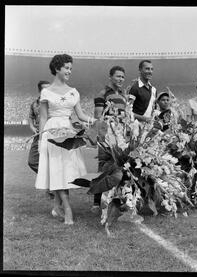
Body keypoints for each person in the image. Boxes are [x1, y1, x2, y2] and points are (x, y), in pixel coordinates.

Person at [35, 54, 94, 225]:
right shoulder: (46, 92)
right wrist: (40, 141)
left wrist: (98, 121)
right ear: (56, 69)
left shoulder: (74, 92)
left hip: (68, 133)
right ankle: (67, 208)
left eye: (70, 68)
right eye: (66, 68)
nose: (69, 71)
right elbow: (43, 118)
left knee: (66, 170)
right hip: (52, 133)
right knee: (57, 170)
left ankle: (56, 207)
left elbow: (81, 115)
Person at [92, 66, 126, 213]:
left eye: (123, 77)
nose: (121, 79)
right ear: (110, 77)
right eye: (118, 76)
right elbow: (98, 117)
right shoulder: (103, 93)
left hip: (121, 135)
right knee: (103, 167)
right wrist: (101, 136)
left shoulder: (123, 95)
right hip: (108, 135)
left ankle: (118, 200)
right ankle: (96, 202)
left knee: (120, 167)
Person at [28, 80, 50, 173]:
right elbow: (30, 117)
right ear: (40, 91)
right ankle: (47, 176)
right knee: (32, 162)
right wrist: (32, 127)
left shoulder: (54, 103)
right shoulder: (34, 104)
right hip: (38, 135)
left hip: (51, 134)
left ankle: (55, 181)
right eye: (45, 89)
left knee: (54, 161)